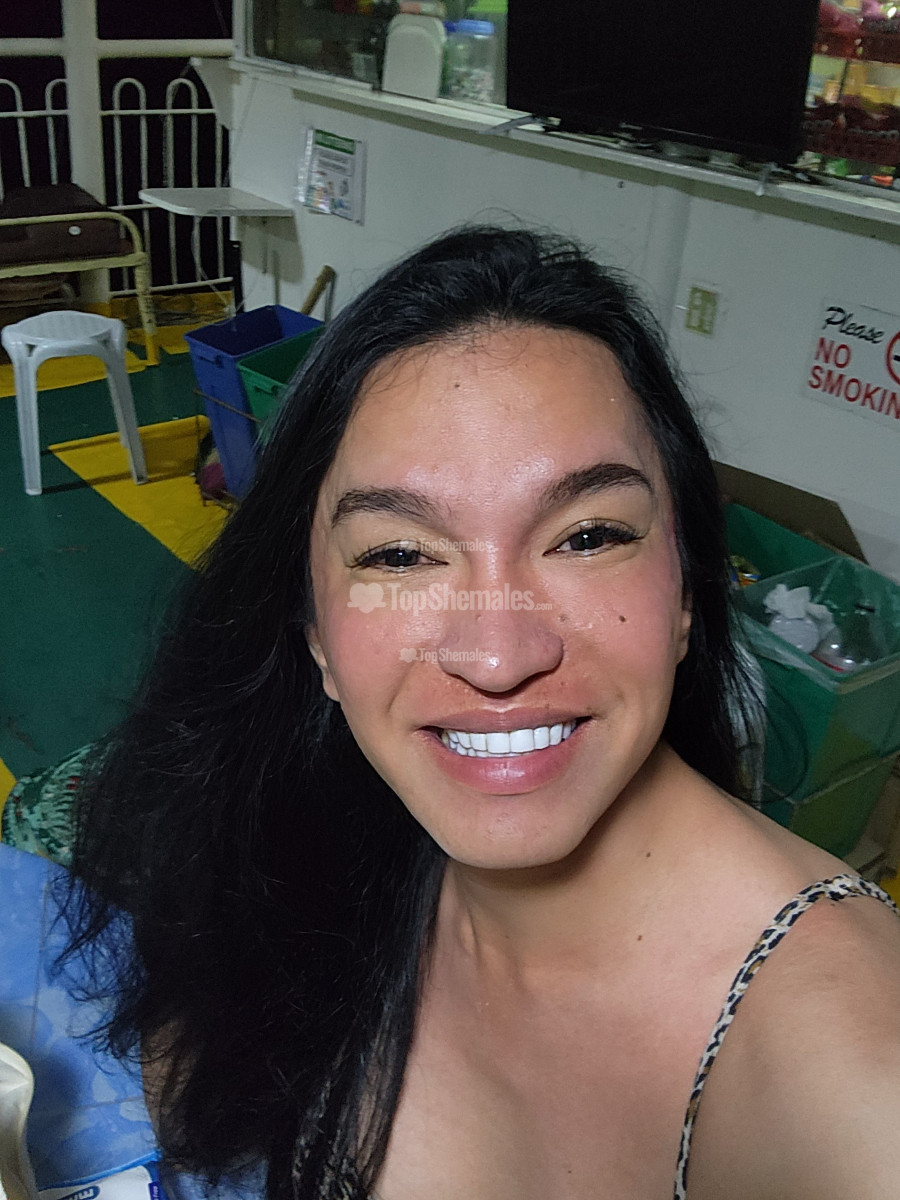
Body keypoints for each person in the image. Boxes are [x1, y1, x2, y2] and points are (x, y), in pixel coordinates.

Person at [59, 227, 900, 1200]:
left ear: (685, 596)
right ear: (316, 633)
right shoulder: (326, 833)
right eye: (399, 554)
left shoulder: (847, 1080)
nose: (499, 659)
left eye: (588, 536)